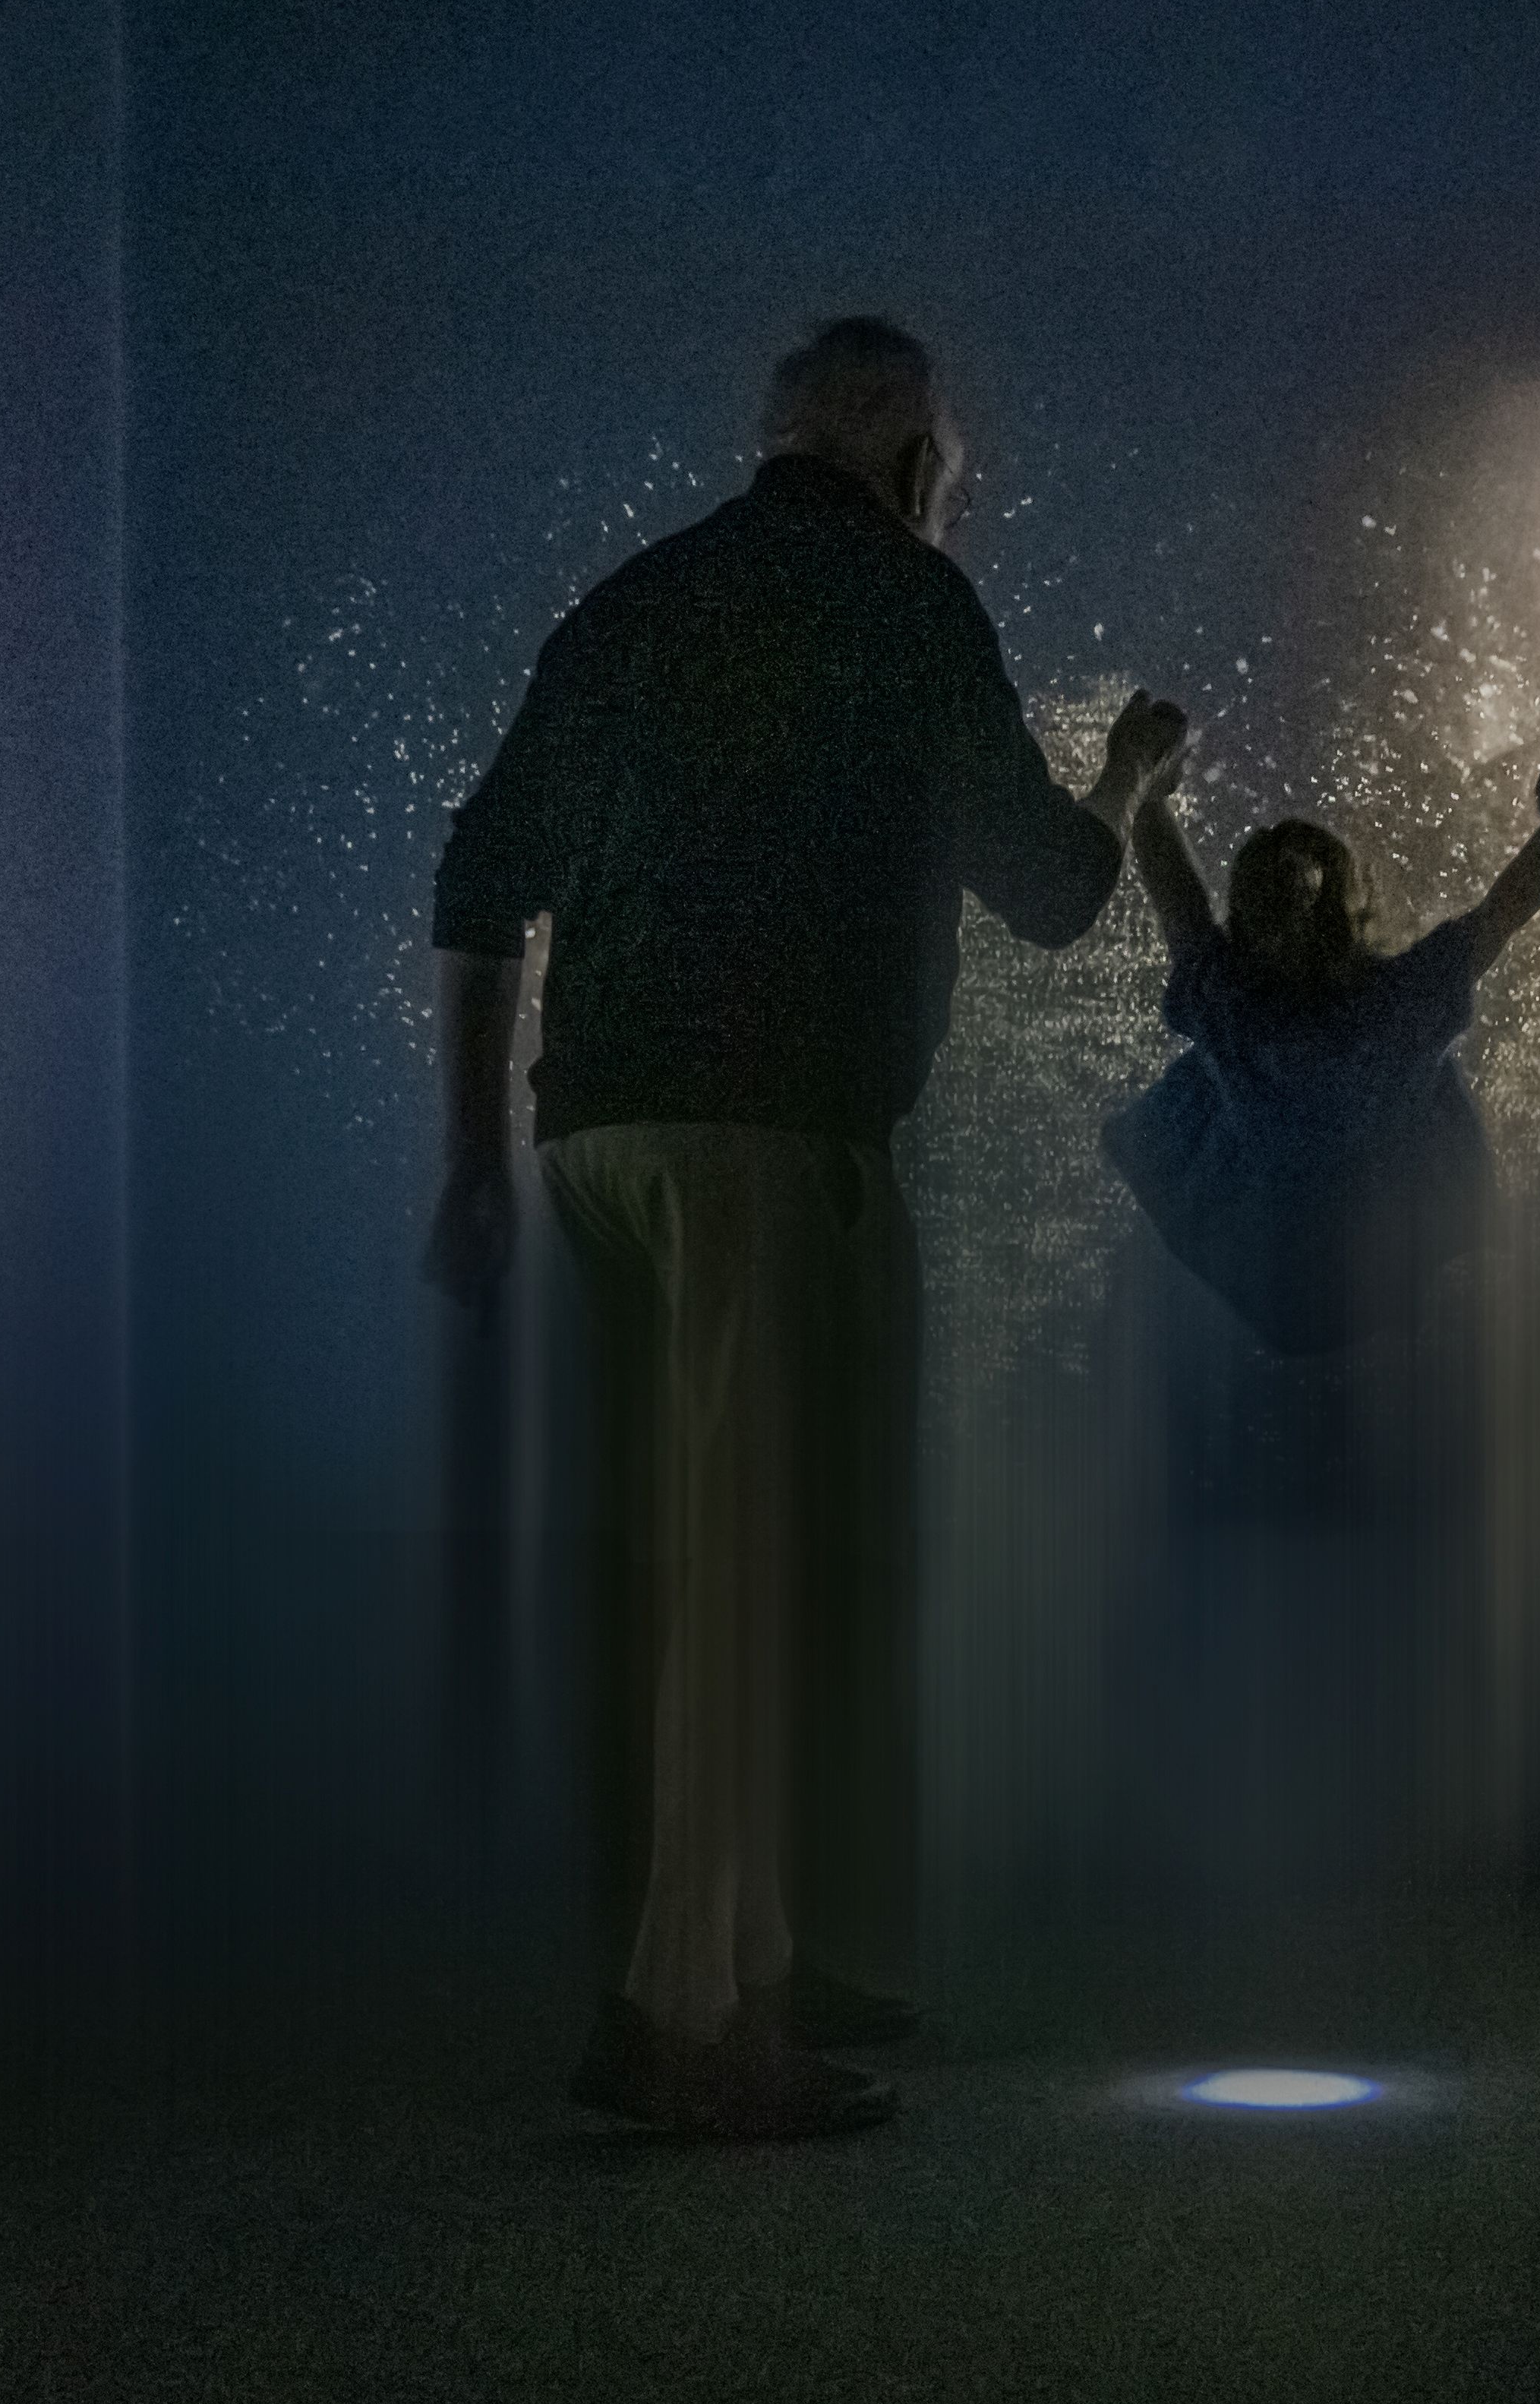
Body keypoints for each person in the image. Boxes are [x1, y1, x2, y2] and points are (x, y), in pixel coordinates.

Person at [431, 317, 1179, 2137]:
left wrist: (469, 1161)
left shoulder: (632, 601)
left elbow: (481, 876)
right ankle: (687, 2024)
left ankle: (744, 1951)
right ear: (909, 454)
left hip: (601, 1137)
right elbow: (1058, 894)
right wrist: (1133, 772)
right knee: (751, 1589)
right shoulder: (909, 606)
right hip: (769, 1140)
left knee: (713, 1555)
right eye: (950, 474)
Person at [1100, 733, 1540, 1380]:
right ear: (1353, 915)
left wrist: (1149, 790)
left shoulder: (1232, 1007)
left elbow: (1177, 901)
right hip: (1378, 1259)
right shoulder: (1401, 1006)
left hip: (1262, 1261)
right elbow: (1502, 913)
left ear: (1243, 925)